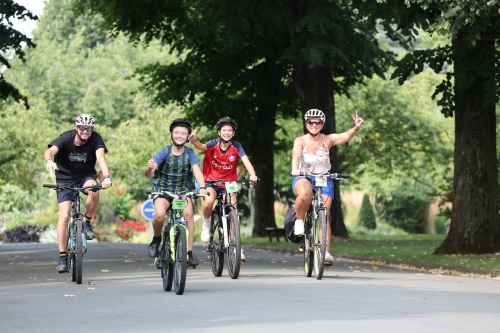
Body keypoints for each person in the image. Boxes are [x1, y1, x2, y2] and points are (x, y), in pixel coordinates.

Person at [291, 109, 364, 262]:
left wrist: (356, 128)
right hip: (303, 176)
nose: (314, 124)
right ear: (306, 123)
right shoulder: (300, 140)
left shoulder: (328, 139)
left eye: (318, 122)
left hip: (323, 178)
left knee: (324, 212)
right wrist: (295, 169)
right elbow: (296, 155)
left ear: (322, 124)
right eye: (311, 121)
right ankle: (299, 222)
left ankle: (324, 252)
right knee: (305, 194)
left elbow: (345, 136)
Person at [44, 114, 112, 272]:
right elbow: (50, 151)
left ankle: (87, 222)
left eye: (88, 129)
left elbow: (100, 157)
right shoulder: (66, 138)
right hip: (64, 178)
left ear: (92, 129)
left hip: (85, 176)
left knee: (94, 190)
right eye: (82, 128)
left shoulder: (96, 139)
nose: (85, 131)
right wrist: (49, 161)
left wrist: (107, 177)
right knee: (65, 216)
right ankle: (62, 257)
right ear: (76, 128)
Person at [188, 116, 258, 262]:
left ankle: (237, 247)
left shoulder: (236, 146)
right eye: (224, 130)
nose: (227, 133)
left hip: (228, 183)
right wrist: (194, 141)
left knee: (233, 209)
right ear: (219, 132)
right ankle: (207, 225)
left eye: (230, 130)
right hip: (210, 182)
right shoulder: (213, 144)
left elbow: (246, 161)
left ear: (233, 133)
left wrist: (253, 175)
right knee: (209, 201)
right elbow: (202, 147)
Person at [145, 118, 207, 267]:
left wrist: (203, 188)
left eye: (183, 133)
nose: (179, 135)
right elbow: (149, 173)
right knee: (159, 215)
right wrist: (149, 167)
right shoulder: (164, 152)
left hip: (183, 192)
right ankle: (157, 239)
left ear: (187, 136)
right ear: (171, 134)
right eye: (177, 132)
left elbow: (197, 172)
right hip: (163, 190)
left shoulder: (191, 153)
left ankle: (189, 253)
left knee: (189, 215)